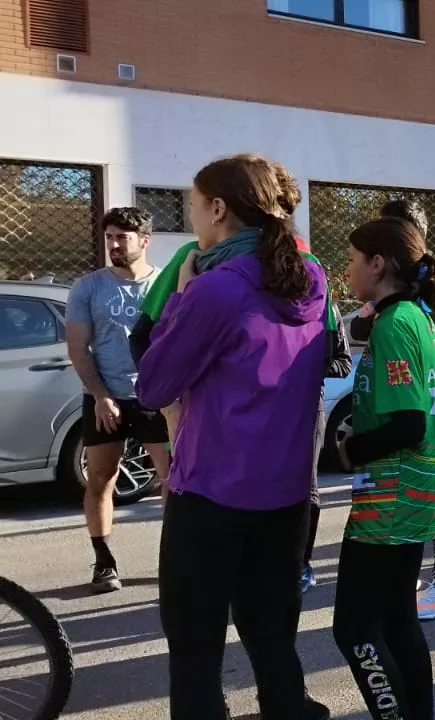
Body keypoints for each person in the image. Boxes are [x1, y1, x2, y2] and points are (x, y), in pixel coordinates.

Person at [137, 155, 331, 719]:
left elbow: (153, 384)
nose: (192, 218)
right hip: (287, 494)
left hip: (212, 495)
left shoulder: (215, 289)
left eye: (193, 206)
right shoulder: (311, 277)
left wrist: (179, 295)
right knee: (273, 640)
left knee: (195, 654)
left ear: (218, 209)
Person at [331, 216, 435, 719]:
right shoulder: (416, 317)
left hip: (392, 498)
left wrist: (353, 449)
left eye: (354, 259)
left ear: (377, 264)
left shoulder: (396, 324)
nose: (348, 268)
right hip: (411, 493)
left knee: (355, 629)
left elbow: (408, 423)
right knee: (397, 620)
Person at [64, 207, 171, 593]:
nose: (113, 244)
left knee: (172, 480)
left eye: (121, 238)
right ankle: (104, 562)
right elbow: (78, 348)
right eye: (109, 236)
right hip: (106, 397)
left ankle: (174, 560)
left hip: (155, 397)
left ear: (144, 241)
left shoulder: (166, 284)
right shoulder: (89, 287)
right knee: (101, 479)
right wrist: (100, 396)